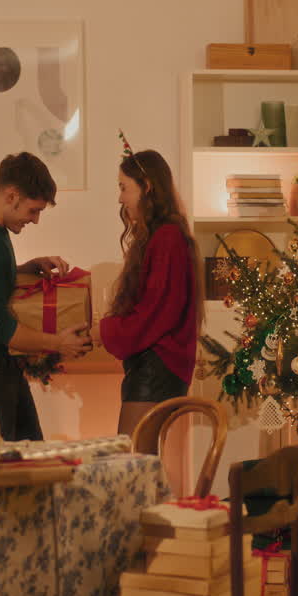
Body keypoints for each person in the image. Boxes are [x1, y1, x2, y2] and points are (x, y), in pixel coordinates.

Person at [0, 152, 91, 441]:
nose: (35, 220)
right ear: (12, 195)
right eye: (33, 210)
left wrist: (26, 267)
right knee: (6, 469)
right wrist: (58, 343)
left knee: (27, 455)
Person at [99, 149, 203, 436]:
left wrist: (105, 332)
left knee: (135, 463)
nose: (120, 198)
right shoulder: (163, 235)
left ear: (146, 186)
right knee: (140, 461)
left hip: (156, 367)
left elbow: (156, 311)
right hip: (153, 366)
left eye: (124, 188)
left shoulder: (167, 237)